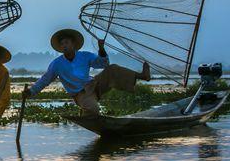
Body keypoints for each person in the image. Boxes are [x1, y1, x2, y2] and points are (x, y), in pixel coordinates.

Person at [22, 29, 150, 116]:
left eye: (66, 42)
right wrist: (31, 91)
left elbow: (103, 64)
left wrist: (101, 49)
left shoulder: (85, 56)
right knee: (93, 109)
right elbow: (45, 80)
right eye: (62, 44)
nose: (64, 46)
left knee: (113, 69)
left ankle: (142, 76)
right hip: (81, 94)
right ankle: (88, 114)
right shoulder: (57, 64)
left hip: (94, 85)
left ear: (73, 44)